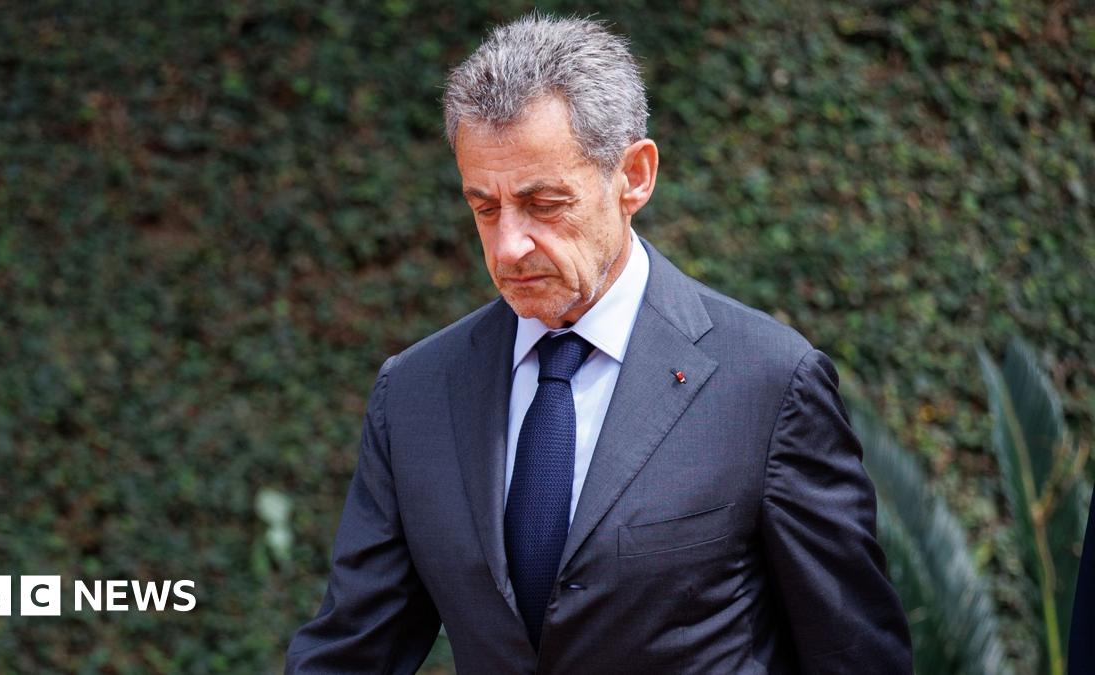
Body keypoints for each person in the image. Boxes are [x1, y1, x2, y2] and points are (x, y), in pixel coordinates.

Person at [286, 13, 912, 674]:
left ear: (634, 176)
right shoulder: (415, 393)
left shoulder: (768, 383)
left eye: (544, 203)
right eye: (485, 207)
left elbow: (856, 656)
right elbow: (352, 652)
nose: (508, 246)